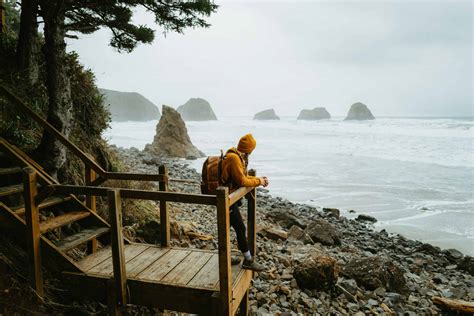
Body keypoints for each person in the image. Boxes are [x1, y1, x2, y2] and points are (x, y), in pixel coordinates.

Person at [220, 134, 269, 272]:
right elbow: (242, 181)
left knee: (227, 227)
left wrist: (257, 179)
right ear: (250, 149)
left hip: (228, 197)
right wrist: (259, 181)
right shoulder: (234, 158)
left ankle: (226, 256)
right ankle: (248, 260)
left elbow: (241, 176)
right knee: (240, 228)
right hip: (226, 198)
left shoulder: (237, 156)